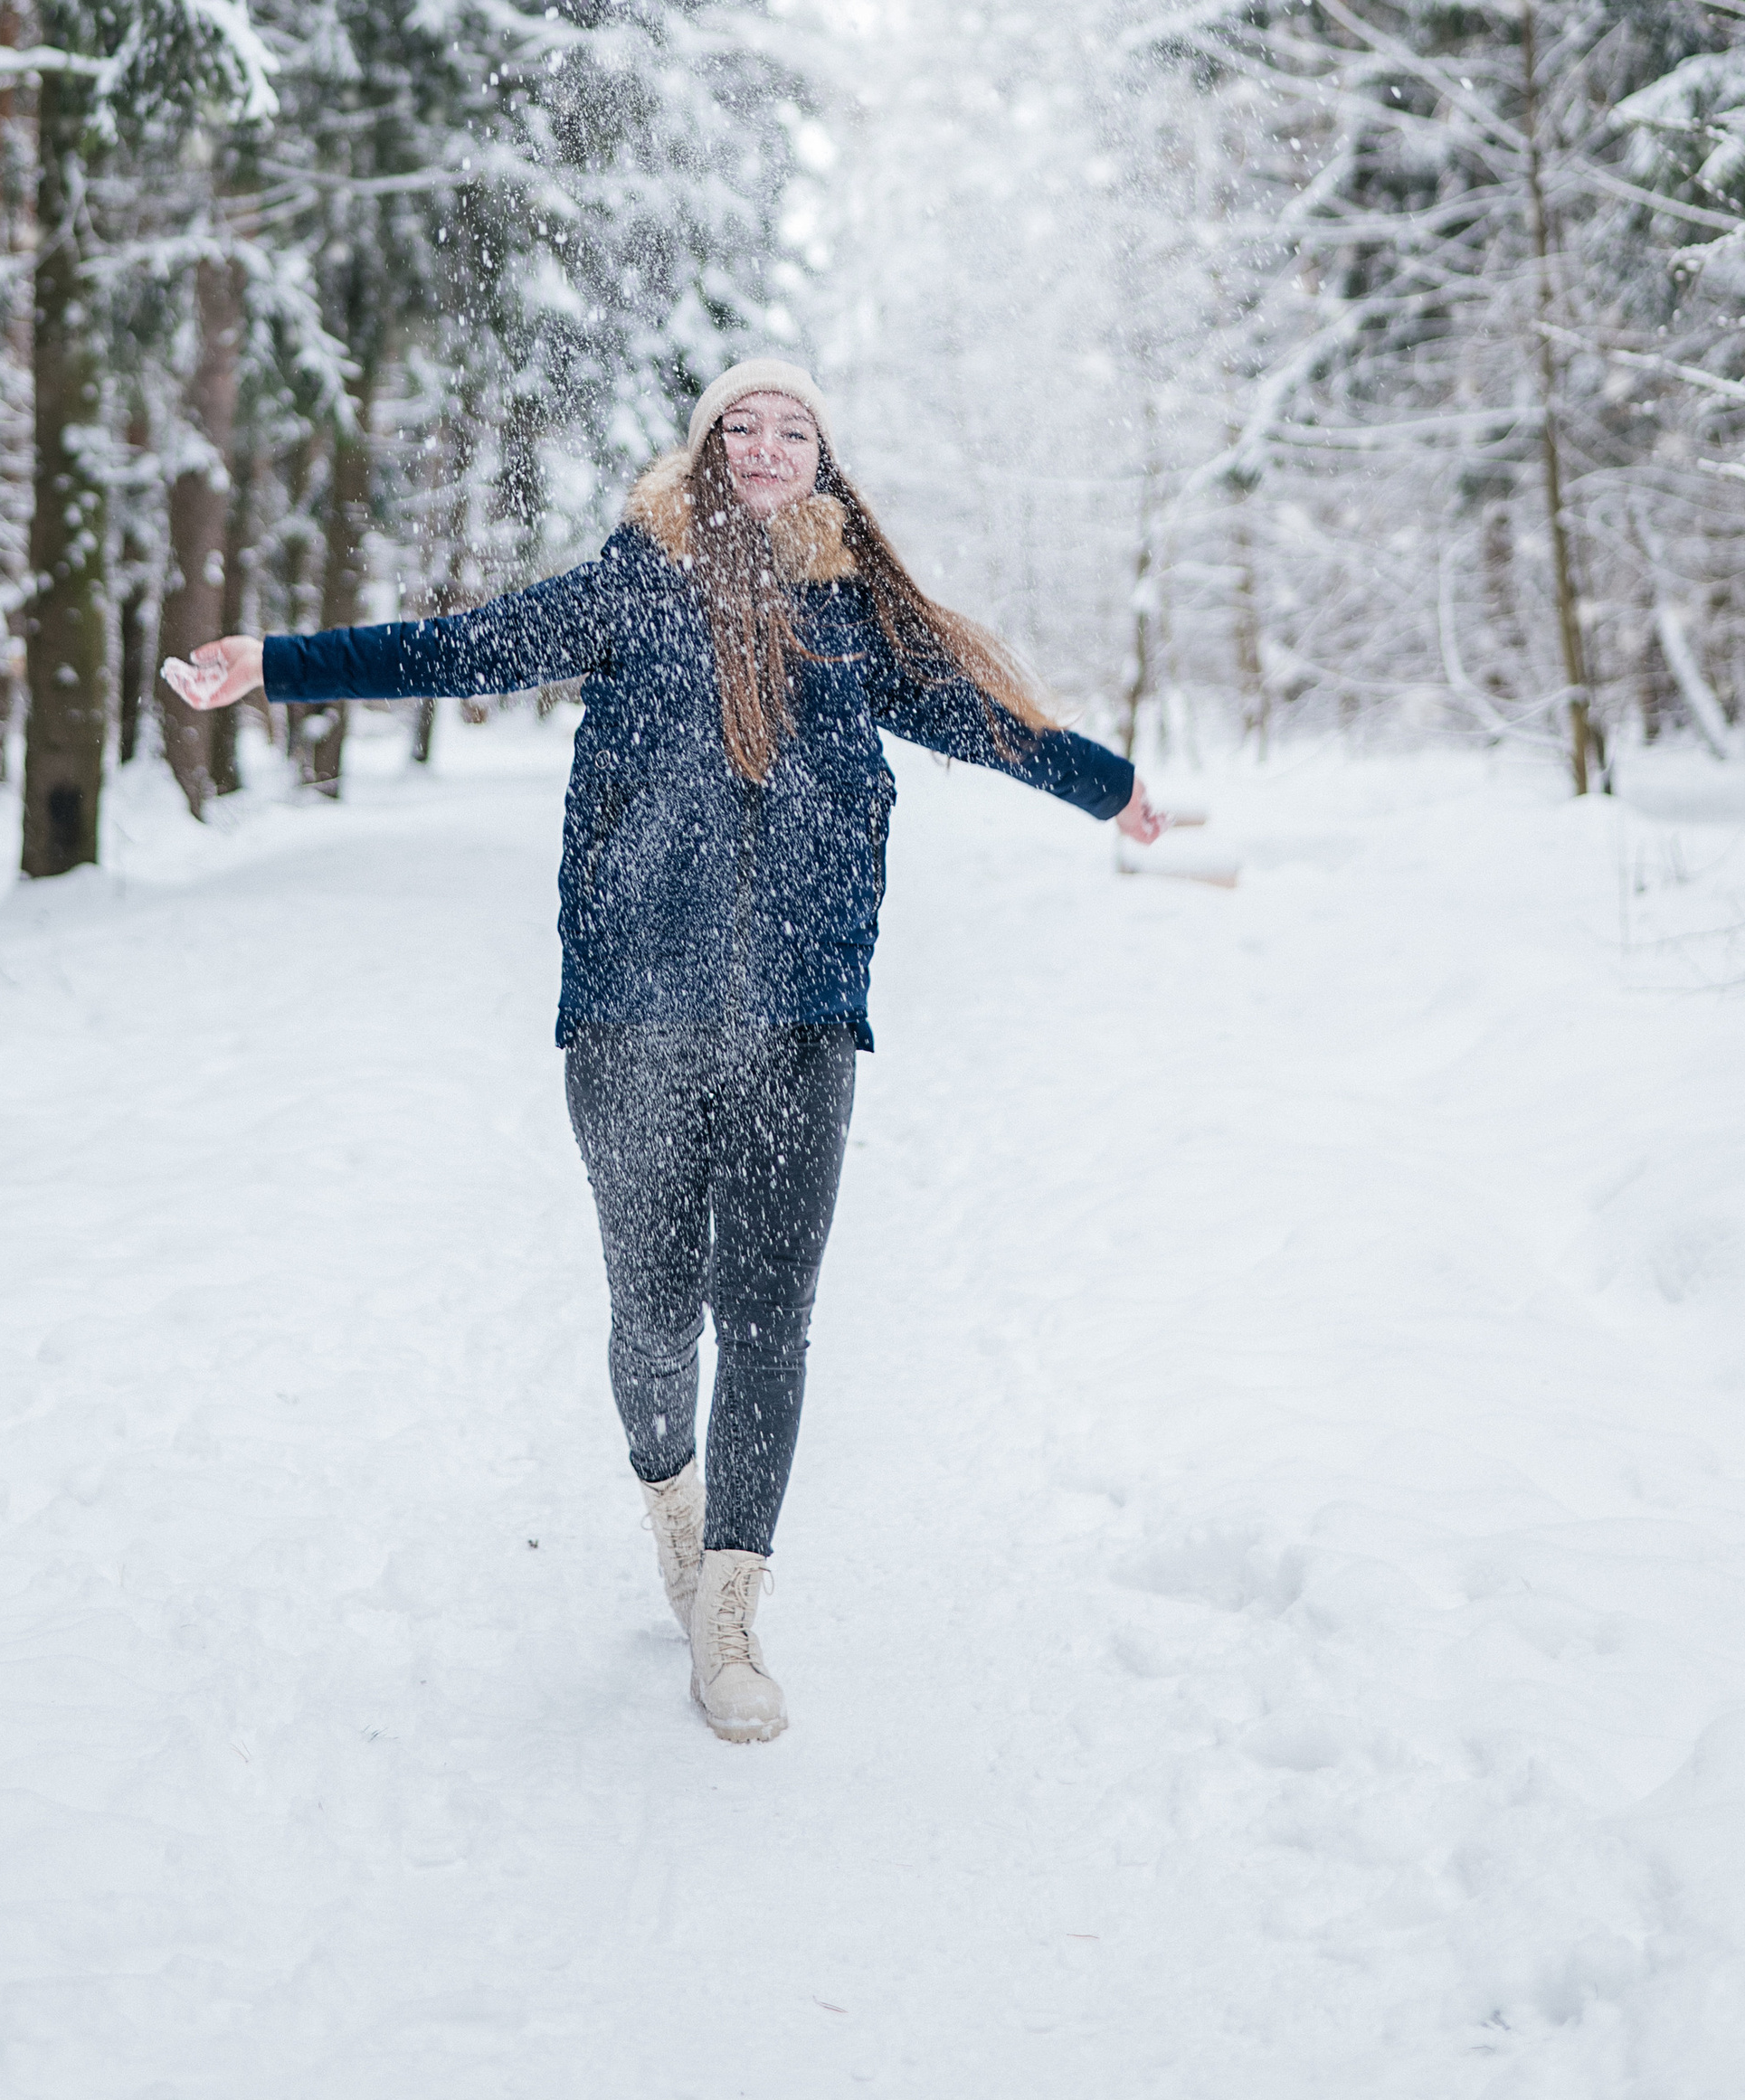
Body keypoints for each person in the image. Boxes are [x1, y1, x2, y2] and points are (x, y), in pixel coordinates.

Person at [164, 358, 1162, 1745]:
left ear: (821, 461)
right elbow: (459, 648)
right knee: (654, 1315)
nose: (766, 443)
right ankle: (674, 1503)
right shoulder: (631, 588)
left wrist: (1111, 785)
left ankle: (731, 1607)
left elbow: (986, 719)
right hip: (634, 1012)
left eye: (793, 427)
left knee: (769, 1316)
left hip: (802, 1015)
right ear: (704, 452)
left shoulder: (852, 622)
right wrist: (274, 664)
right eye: (739, 424)